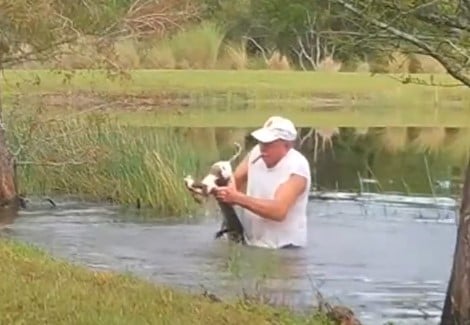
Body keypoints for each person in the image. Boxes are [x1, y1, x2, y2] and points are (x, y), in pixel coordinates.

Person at [214, 116, 311, 249]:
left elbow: (278, 211)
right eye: (261, 142)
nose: (263, 148)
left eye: (269, 143)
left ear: (287, 146)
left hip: (285, 250)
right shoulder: (256, 153)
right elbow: (234, 180)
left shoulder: (297, 169)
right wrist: (213, 187)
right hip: (251, 244)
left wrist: (237, 198)